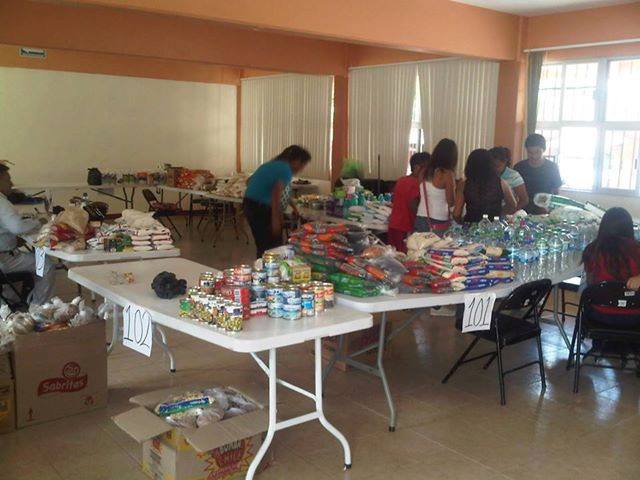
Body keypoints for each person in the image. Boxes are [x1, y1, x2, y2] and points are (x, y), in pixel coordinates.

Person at [0, 163, 55, 305]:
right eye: (8, 180)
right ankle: (39, 306)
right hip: (5, 260)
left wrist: (12, 240)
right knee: (46, 265)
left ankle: (12, 300)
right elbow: (17, 227)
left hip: (4, 255)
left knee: (34, 255)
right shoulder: (2, 202)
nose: (11, 184)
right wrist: (38, 221)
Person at [243, 146, 311, 258]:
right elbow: (276, 195)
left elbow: (248, 181)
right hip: (261, 208)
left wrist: (261, 189)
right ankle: (267, 267)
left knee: (262, 244)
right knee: (272, 247)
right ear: (297, 161)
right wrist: (276, 220)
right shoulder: (285, 170)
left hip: (249, 204)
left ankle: (262, 265)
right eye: (303, 164)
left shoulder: (270, 165)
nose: (302, 168)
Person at [582, 207, 640, 327]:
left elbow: (590, 283)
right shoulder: (636, 250)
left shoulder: (592, 250)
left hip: (599, 313)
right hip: (634, 314)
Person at [453, 149, 516, 223]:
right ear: (491, 165)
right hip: (493, 226)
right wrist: (499, 214)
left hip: (471, 225)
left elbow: (456, 213)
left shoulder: (464, 184)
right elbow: (513, 205)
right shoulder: (501, 183)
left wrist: (461, 222)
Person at [387, 152, 429, 252]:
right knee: (406, 256)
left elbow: (393, 199)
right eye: (427, 168)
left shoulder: (401, 180)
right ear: (417, 168)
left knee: (394, 254)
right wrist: (422, 220)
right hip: (405, 227)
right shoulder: (415, 183)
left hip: (393, 225)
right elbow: (412, 204)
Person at [415, 138, 457, 233]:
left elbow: (422, 194)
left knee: (420, 242)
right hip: (438, 219)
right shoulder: (447, 174)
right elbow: (451, 202)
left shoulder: (423, 172)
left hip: (420, 217)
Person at [514, 134, 562, 214]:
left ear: (544, 150)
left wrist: (551, 209)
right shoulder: (519, 167)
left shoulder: (552, 167)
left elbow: (556, 191)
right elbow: (513, 191)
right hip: (522, 210)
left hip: (544, 210)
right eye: (530, 152)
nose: (534, 156)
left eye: (537, 152)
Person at [489, 146, 528, 213]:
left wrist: (511, 211)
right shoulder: (487, 174)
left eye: (498, 166)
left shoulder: (513, 176)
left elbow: (524, 200)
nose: (495, 169)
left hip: (507, 213)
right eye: (493, 165)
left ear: (505, 162)